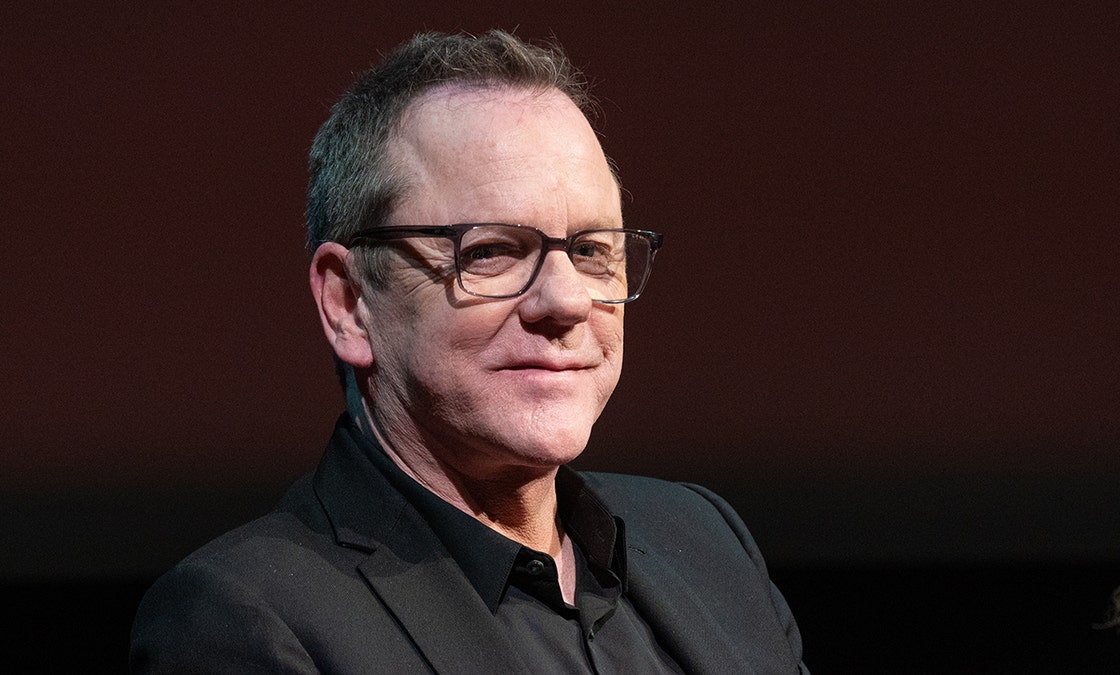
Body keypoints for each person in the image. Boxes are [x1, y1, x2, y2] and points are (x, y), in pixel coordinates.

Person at [130, 30, 807, 674]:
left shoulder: (707, 542)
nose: (566, 301)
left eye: (591, 250)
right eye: (490, 251)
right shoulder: (245, 620)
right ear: (349, 302)